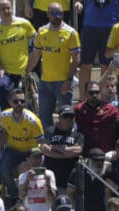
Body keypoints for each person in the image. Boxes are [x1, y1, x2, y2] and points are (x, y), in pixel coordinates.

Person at [27, 3, 80, 131]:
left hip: (63, 82)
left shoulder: (71, 32)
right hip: (45, 82)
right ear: (47, 14)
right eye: (54, 13)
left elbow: (77, 58)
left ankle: (69, 142)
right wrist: (26, 71)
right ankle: (47, 145)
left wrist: (69, 79)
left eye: (60, 14)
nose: (57, 16)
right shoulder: (41, 31)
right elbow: (36, 55)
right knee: (44, 117)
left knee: (67, 116)